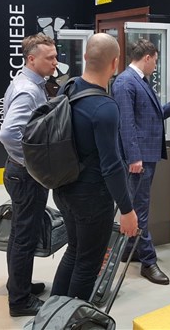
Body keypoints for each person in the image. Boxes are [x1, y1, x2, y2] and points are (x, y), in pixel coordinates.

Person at [51, 33, 139, 299]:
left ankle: (53, 313)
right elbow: (112, 165)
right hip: (91, 199)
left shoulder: (68, 87)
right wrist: (127, 210)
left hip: (63, 188)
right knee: (88, 264)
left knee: (74, 251)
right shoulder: (105, 107)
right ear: (115, 63)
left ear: (85, 57)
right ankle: (71, 317)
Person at [112, 38, 170, 285]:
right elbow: (126, 123)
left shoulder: (138, 81)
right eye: (155, 60)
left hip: (145, 155)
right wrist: (134, 157)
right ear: (147, 57)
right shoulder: (125, 83)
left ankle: (129, 249)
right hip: (138, 158)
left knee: (137, 205)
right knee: (139, 208)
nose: (155, 65)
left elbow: (148, 116)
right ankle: (148, 262)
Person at [0, 33, 58, 317]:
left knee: (20, 233)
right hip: (25, 175)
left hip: (19, 172)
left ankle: (18, 284)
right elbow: (9, 133)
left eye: (55, 57)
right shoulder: (28, 90)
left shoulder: (29, 83)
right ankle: (20, 301)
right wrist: (31, 163)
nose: (55, 63)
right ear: (32, 59)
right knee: (25, 236)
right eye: (50, 58)